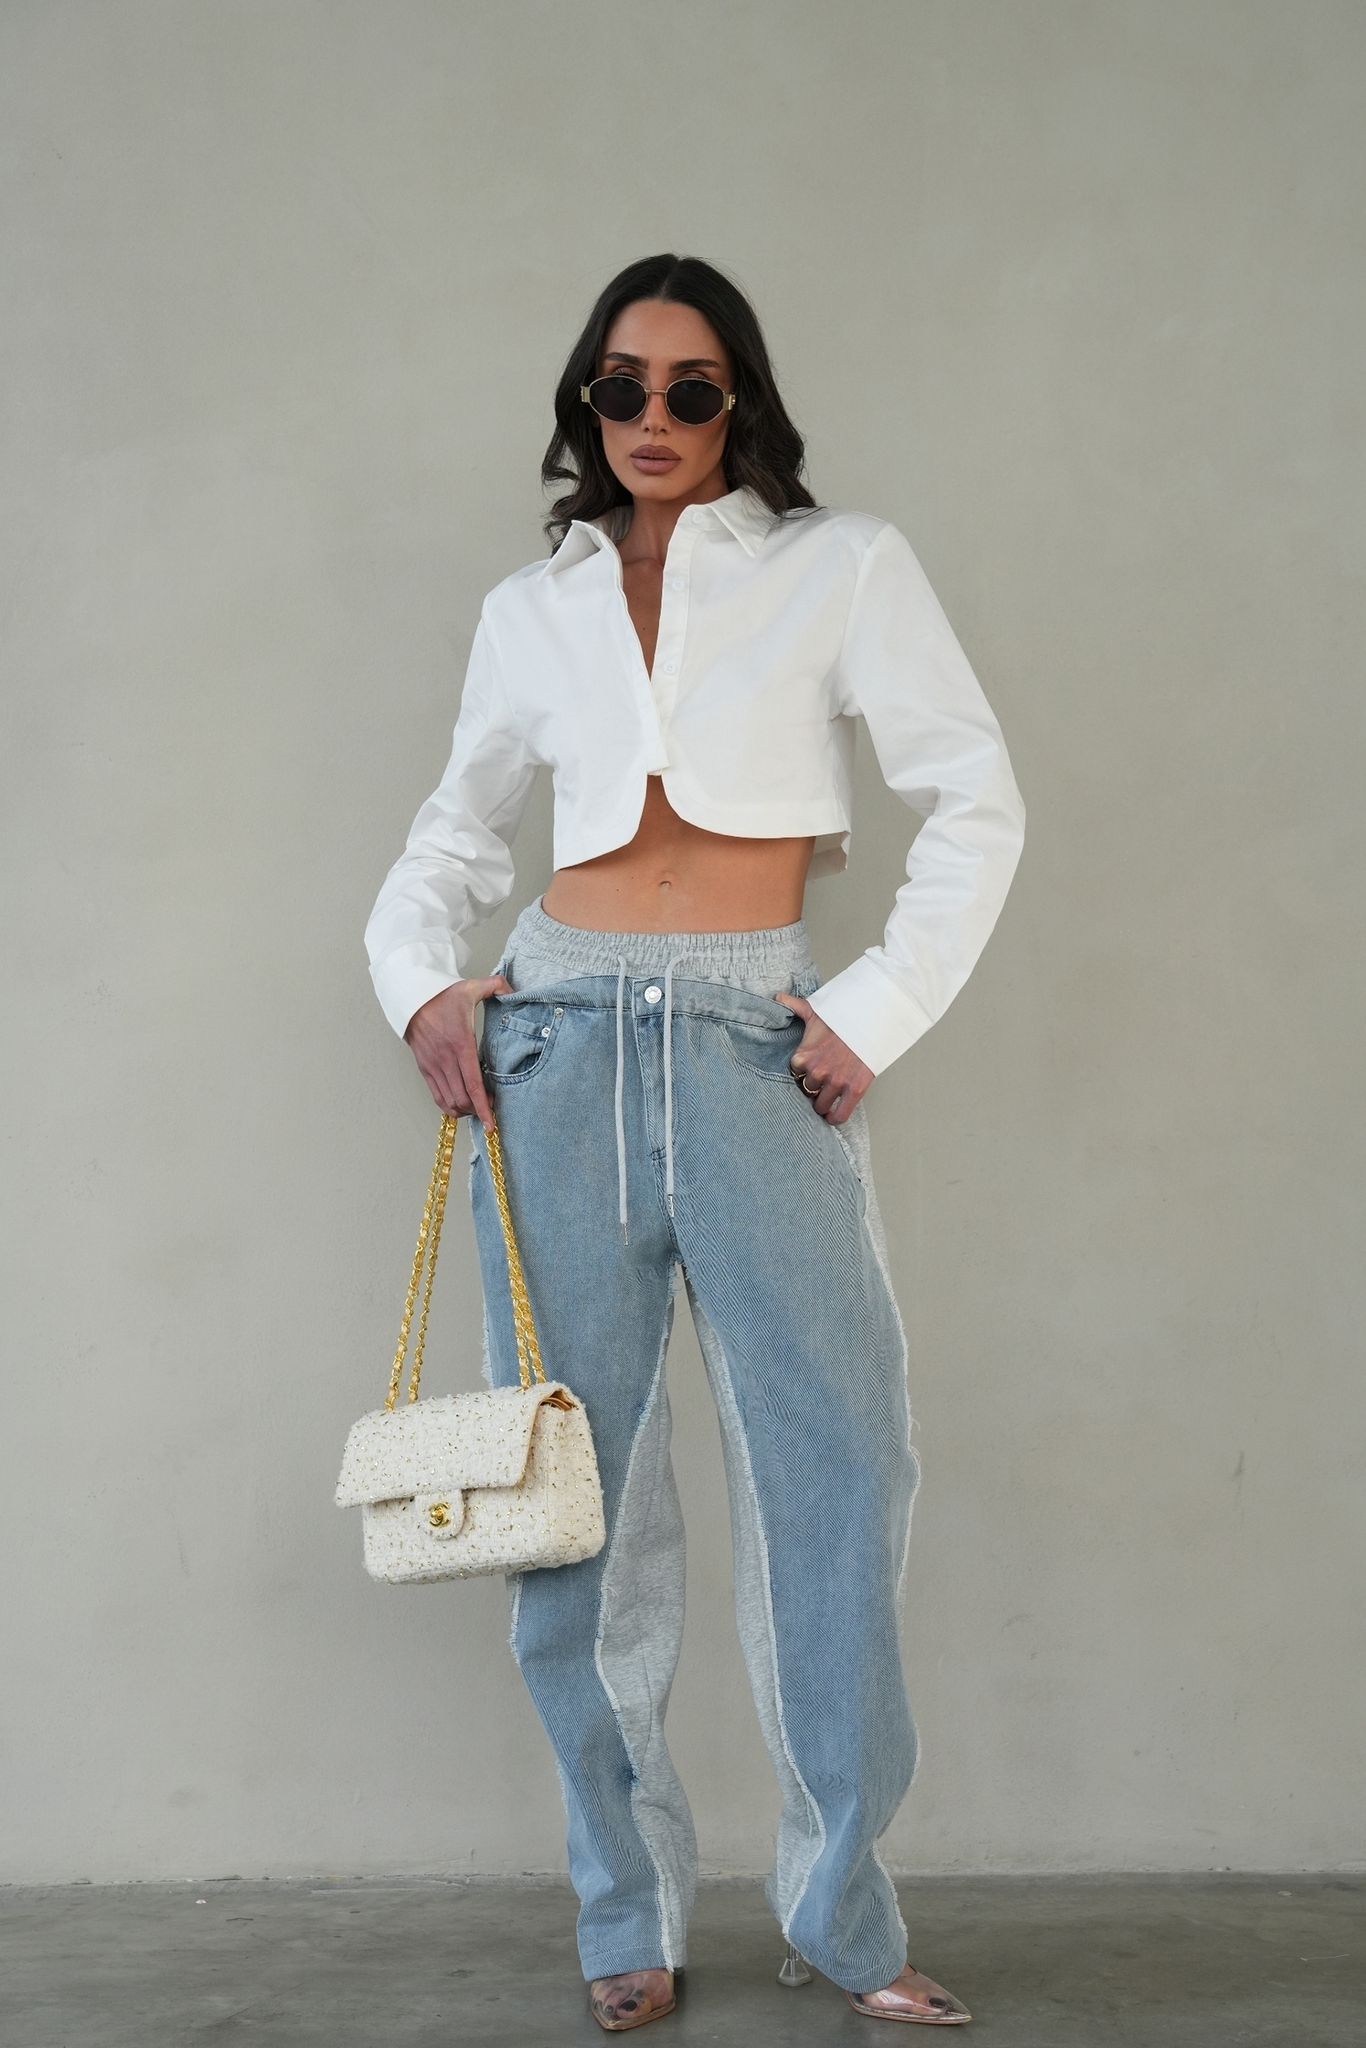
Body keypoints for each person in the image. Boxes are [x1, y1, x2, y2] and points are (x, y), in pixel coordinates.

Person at [363, 253, 1025, 2032]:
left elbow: (974, 798)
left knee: (836, 1475)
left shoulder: (839, 564)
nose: (651, 419)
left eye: (691, 389)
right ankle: (624, 1913)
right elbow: (452, 834)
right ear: (585, 404)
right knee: (570, 1505)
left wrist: (871, 1009)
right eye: (621, 388)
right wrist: (421, 987)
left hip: (754, 1048)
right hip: (557, 1043)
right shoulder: (535, 607)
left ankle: (843, 1916)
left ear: (741, 403)